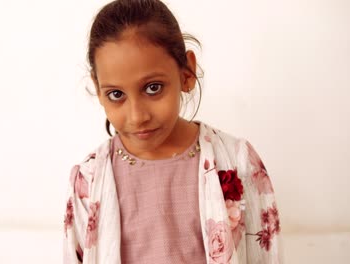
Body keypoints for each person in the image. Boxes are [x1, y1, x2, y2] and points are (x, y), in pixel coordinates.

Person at [63, 0, 282, 263]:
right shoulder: (89, 179)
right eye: (116, 94)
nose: (137, 116)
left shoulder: (238, 160)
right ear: (98, 90)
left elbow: (265, 256)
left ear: (187, 72)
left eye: (153, 88)